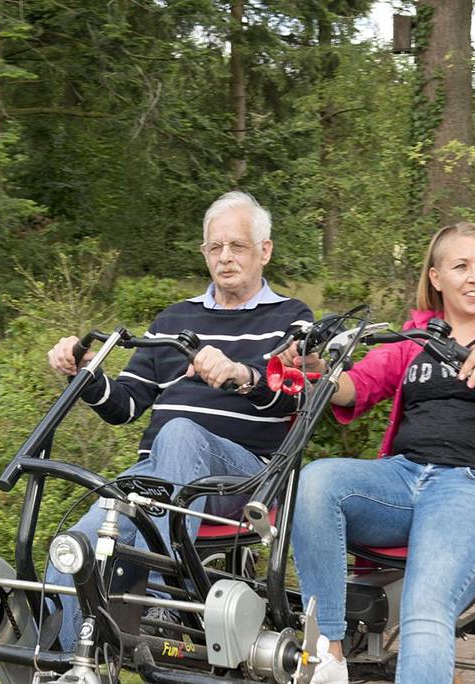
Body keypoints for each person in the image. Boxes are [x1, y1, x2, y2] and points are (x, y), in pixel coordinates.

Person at [290, 222, 475, 683]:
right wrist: (318, 370)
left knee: (425, 607)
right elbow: (356, 385)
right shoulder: (414, 338)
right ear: (436, 277)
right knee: (315, 482)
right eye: (461, 266)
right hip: (403, 477)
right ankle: (329, 655)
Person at [45, 191, 312, 650]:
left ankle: (162, 603)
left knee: (181, 432)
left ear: (264, 251)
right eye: (214, 247)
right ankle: (63, 664)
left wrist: (241, 375)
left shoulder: (292, 320)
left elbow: (294, 402)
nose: (225, 258)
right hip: (156, 477)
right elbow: (124, 406)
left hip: (243, 480)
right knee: (76, 548)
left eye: (238, 246)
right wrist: (86, 374)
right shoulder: (173, 318)